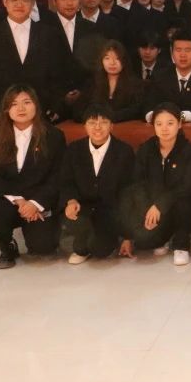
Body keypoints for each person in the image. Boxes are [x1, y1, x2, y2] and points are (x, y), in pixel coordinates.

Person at [0, 85, 66, 269]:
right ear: (6, 110)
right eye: (14, 104)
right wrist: (19, 200)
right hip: (8, 198)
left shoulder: (54, 136)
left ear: (36, 106)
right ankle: (7, 246)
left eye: (27, 102)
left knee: (43, 248)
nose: (21, 108)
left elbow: (58, 176)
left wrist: (35, 203)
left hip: (39, 199)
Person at [117, 102, 191, 265]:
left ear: (179, 124)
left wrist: (160, 205)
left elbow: (188, 186)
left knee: (185, 204)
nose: (164, 128)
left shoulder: (190, 151)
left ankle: (181, 244)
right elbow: (137, 183)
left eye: (170, 123)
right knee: (144, 241)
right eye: (159, 124)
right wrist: (144, 212)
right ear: (153, 126)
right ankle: (165, 236)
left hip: (179, 203)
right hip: (153, 204)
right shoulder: (146, 149)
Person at [0, 0, 66, 123]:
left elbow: (58, 73)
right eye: (14, 0)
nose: (19, 5)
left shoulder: (49, 33)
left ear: (33, 3)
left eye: (25, 0)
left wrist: (56, 106)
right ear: (5, 2)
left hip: (42, 109)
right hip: (2, 110)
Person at [59, 104, 134, 263]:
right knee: (80, 243)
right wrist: (71, 200)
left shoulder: (124, 151)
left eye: (103, 122)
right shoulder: (74, 149)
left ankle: (102, 238)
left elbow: (129, 192)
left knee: (100, 250)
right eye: (92, 123)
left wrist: (128, 237)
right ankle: (82, 242)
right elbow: (66, 181)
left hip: (110, 212)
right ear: (85, 126)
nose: (97, 127)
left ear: (112, 126)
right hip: (83, 208)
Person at [142, 30, 191, 122]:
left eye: (187, 50)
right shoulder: (159, 76)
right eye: (178, 50)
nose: (183, 55)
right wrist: (152, 115)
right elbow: (147, 106)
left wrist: (181, 116)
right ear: (172, 53)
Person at [72, 40, 144, 122]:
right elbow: (78, 111)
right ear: (101, 61)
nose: (112, 63)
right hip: (98, 127)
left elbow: (137, 110)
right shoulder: (92, 83)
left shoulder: (135, 84)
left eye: (117, 58)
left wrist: (110, 117)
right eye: (107, 58)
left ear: (124, 61)